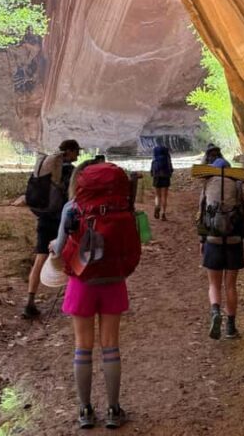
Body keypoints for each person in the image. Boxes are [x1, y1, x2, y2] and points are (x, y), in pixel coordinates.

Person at [55, 160, 140, 430]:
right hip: (114, 279)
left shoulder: (72, 208)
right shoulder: (122, 207)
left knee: (83, 345)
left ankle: (85, 411)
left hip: (82, 281)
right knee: (111, 345)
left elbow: (58, 250)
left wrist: (54, 246)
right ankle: (114, 411)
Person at [197, 147, 244, 339]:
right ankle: (231, 327)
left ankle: (215, 313)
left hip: (213, 239)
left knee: (214, 285)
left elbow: (202, 215)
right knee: (230, 285)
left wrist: (202, 240)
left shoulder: (207, 184)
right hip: (234, 240)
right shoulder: (236, 185)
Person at [22, 138, 80, 319]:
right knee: (70, 259)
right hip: (61, 221)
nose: (77, 155)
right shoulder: (70, 171)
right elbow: (73, 196)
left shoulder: (45, 169)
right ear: (69, 152)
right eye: (76, 152)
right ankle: (72, 301)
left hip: (44, 218)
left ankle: (30, 302)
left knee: (40, 259)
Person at [150, 144, 174, 221]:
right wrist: (170, 173)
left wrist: (152, 174)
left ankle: (157, 206)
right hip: (165, 177)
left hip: (156, 176)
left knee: (157, 195)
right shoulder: (167, 158)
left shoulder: (155, 157)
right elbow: (171, 168)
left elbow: (152, 168)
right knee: (164, 196)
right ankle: (163, 214)